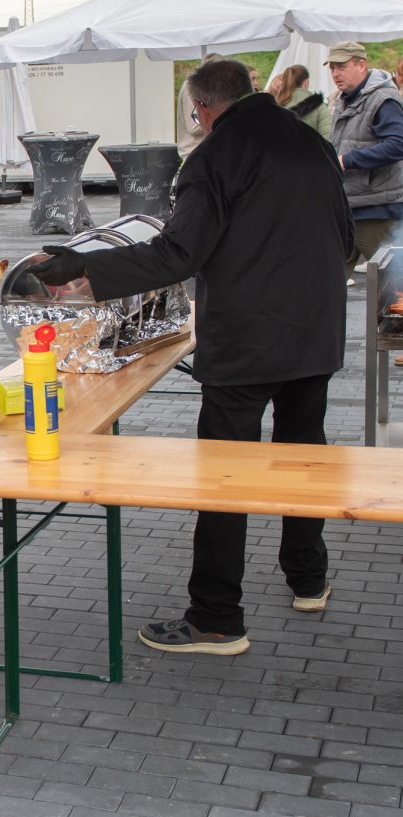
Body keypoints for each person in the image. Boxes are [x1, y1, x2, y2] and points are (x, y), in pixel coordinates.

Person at [28, 60, 352, 656]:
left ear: (201, 109)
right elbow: (346, 236)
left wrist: (84, 266)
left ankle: (217, 619)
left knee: (223, 477)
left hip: (249, 340)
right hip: (316, 329)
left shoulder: (212, 157)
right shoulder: (309, 139)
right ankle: (308, 579)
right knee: (305, 458)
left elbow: (178, 253)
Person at [328, 42, 403, 278]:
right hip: (350, 206)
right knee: (327, 280)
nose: (335, 73)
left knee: (395, 286)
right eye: (332, 68)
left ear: (362, 65)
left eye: (341, 66)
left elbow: (398, 144)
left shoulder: (383, 99)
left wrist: (347, 160)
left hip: (376, 210)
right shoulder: (345, 98)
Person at [176, 54, 221, 159]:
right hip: (194, 154)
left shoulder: (205, 86)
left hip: (206, 153)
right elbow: (193, 127)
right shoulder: (191, 87)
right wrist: (221, 118)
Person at [274, 65, 332, 140]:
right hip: (311, 150)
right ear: (306, 82)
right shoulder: (320, 107)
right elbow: (327, 138)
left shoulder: (274, 105)